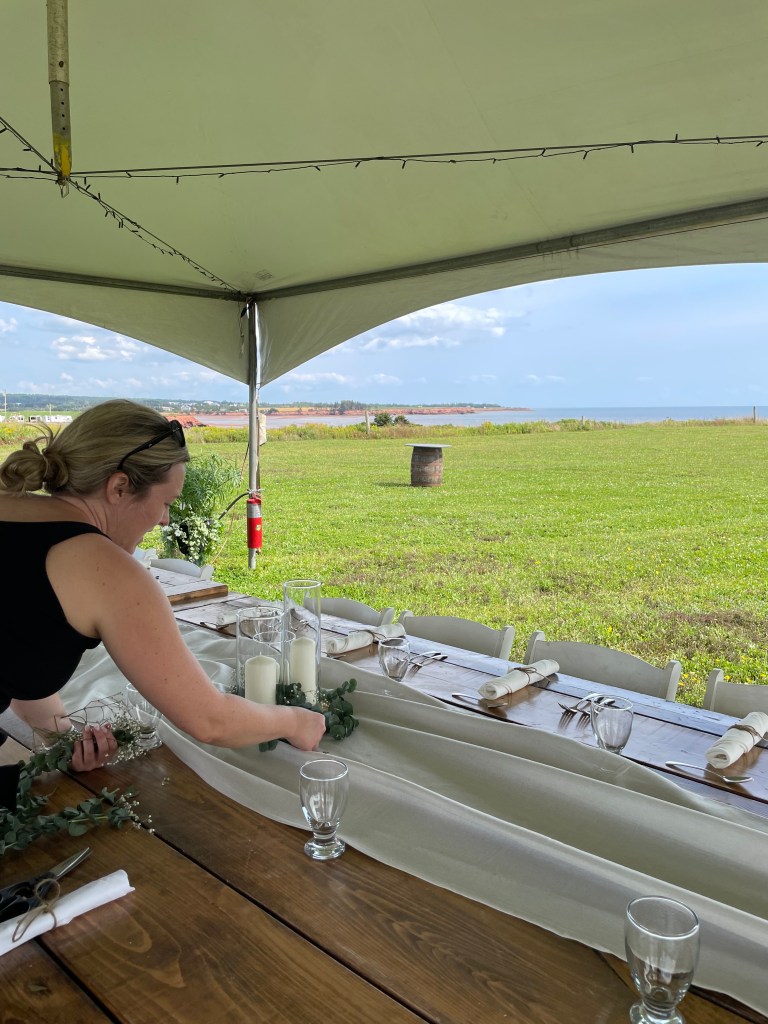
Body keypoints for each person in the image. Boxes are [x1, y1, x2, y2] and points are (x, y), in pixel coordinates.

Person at [0, 399, 325, 807]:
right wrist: (297, 720)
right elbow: (210, 720)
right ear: (119, 487)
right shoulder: (102, 566)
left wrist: (65, 740)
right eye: (167, 502)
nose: (165, 520)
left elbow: (16, 655)